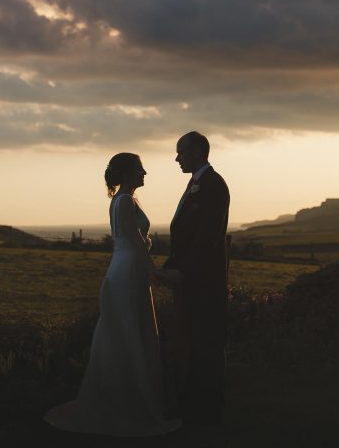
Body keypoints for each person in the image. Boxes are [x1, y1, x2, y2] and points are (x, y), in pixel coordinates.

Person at [44, 153, 181, 437]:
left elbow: (134, 240)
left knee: (127, 333)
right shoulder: (124, 201)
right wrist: (155, 273)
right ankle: (130, 406)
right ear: (129, 173)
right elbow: (135, 244)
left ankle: (133, 401)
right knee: (129, 334)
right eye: (141, 168)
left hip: (126, 268)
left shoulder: (124, 200)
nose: (146, 172)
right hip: (128, 272)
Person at [158, 132, 230, 425]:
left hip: (204, 281)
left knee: (206, 344)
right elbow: (186, 236)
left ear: (198, 151)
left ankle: (207, 412)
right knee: (189, 343)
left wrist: (183, 271)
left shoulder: (214, 184)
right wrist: (170, 264)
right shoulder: (195, 183)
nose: (177, 159)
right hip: (190, 279)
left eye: (181, 153)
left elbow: (207, 238)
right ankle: (191, 405)